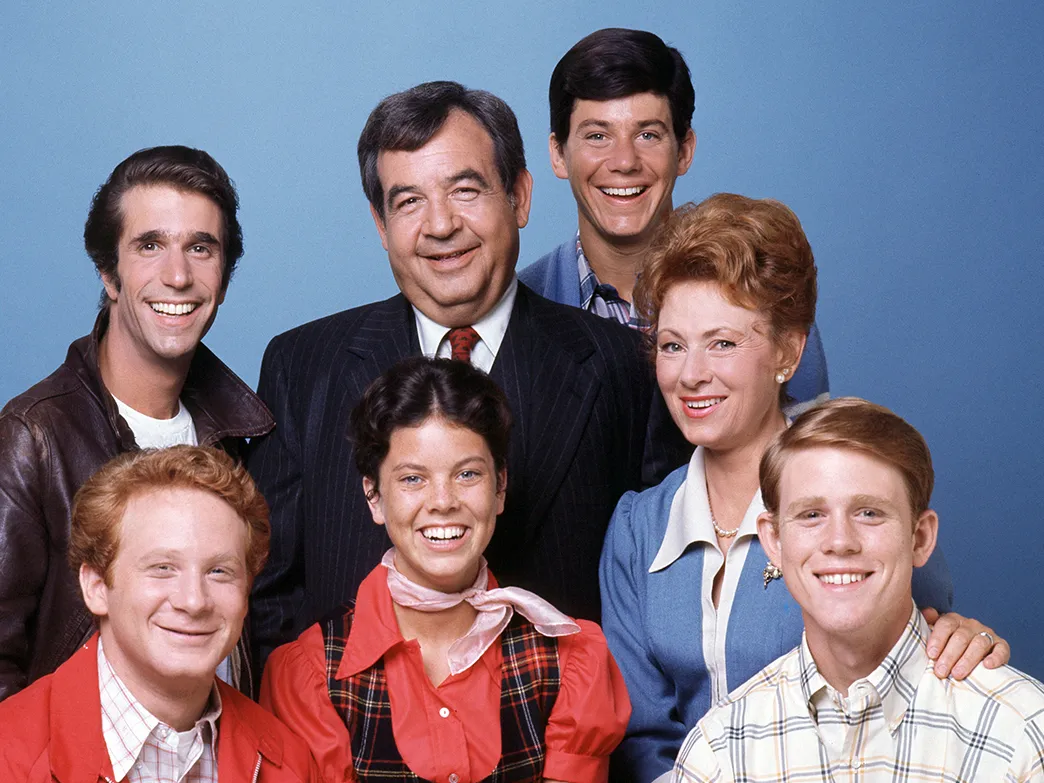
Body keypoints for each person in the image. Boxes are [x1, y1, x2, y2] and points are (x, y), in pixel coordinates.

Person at [249, 80, 684, 667]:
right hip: (349, 719)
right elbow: (268, 599)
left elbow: (659, 584)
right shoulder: (303, 367)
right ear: (380, 224)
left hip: (563, 716)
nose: (440, 225)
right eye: (409, 202)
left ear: (520, 198)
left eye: (465, 190)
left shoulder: (623, 365)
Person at [598, 193, 1008, 782]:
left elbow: (924, 662)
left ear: (788, 352)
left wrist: (963, 638)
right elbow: (641, 737)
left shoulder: (863, 505)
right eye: (672, 345)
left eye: (723, 342)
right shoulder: (638, 527)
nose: (691, 374)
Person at [261, 357, 629, 782]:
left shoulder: (570, 660)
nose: (443, 501)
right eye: (412, 479)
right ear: (374, 496)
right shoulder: (310, 673)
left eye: (467, 474)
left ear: (500, 487)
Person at [0, 145, 273, 701]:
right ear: (109, 272)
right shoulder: (33, 437)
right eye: (150, 246)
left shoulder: (241, 438)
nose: (178, 275)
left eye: (200, 248)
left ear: (223, 278)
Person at [673, 398, 1044, 782]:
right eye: (811, 515)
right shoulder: (719, 754)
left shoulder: (1023, 737)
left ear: (920, 539)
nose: (840, 541)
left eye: (869, 513)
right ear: (775, 541)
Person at [519, 28, 829, 411]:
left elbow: (802, 439)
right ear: (558, 154)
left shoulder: (764, 292)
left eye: (648, 135)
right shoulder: (519, 309)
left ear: (684, 151)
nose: (624, 162)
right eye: (598, 136)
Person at [0, 446, 320, 782]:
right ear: (96, 586)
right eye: (163, 567)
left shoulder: (291, 765)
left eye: (219, 572)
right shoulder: (9, 754)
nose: (194, 601)